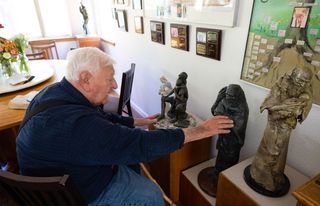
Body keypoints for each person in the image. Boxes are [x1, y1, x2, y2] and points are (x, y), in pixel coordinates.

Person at [16, 47, 234, 206]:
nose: (115, 85)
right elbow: (139, 145)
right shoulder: (76, 127)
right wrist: (202, 131)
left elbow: (99, 117)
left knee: (130, 164)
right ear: (86, 79)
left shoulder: (57, 92)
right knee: (150, 195)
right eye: (110, 78)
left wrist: (136, 121)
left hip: (60, 172)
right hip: (70, 193)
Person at [247, 66, 313, 195]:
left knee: (280, 154)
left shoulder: (306, 89)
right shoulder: (280, 84)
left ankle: (275, 175)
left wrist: (295, 108)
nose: (302, 85)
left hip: (286, 127)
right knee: (269, 151)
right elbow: (269, 105)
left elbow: (303, 105)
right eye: (300, 81)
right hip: (273, 126)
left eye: (306, 82)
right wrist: (284, 107)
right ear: (293, 76)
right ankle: (261, 176)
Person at [198, 84, 249, 197]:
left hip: (233, 141)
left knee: (228, 161)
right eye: (227, 95)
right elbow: (214, 112)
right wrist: (218, 98)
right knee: (220, 156)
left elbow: (234, 126)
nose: (229, 98)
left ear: (238, 96)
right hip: (224, 138)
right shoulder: (226, 102)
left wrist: (223, 117)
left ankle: (222, 181)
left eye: (232, 96)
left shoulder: (242, 109)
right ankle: (217, 173)